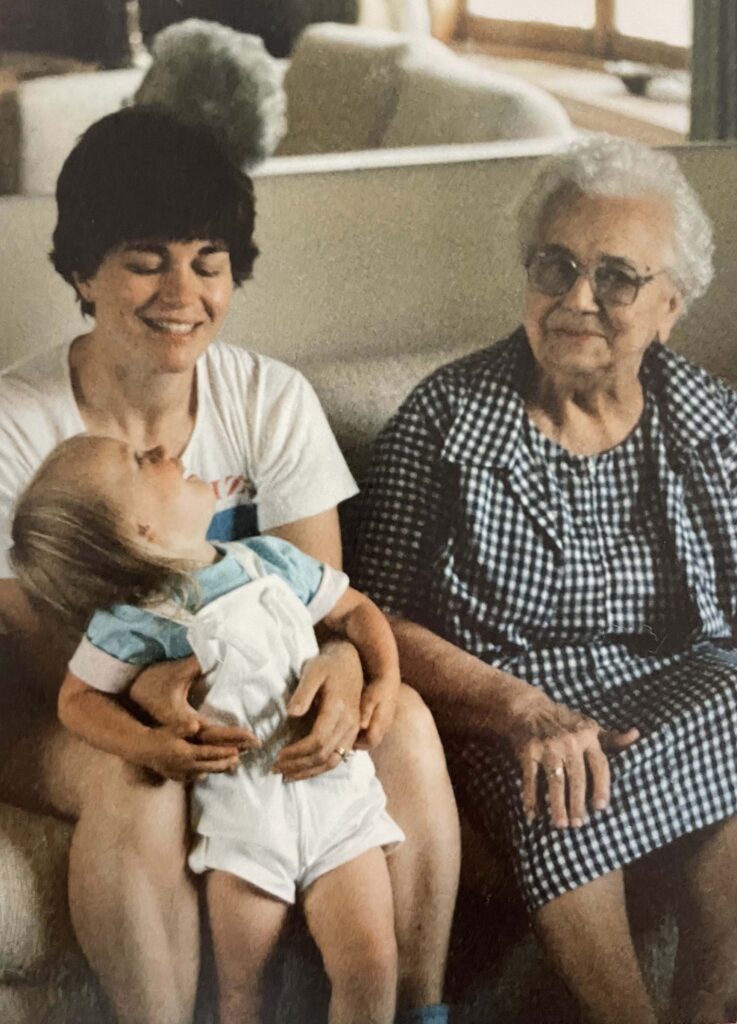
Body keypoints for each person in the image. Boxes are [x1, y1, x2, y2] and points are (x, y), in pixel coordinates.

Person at [0, 106, 459, 1024]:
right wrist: (161, 695)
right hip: (53, 713)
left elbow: (324, 606)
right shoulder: (16, 422)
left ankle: (419, 1009)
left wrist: (342, 666)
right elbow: (57, 665)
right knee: (137, 780)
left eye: (208, 262)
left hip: (240, 690)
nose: (183, 292)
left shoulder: (269, 397)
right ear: (83, 270)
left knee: (399, 720)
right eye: (145, 259)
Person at [352, 134, 737, 1024]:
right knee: (562, 778)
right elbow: (371, 620)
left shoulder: (711, 423)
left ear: (669, 306)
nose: (576, 299)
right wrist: (524, 709)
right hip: (503, 710)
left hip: (671, 699)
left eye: (614, 278)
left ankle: (711, 1002)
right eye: (555, 266)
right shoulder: (446, 419)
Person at [11, 432, 405, 1024]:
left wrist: (385, 681)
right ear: (140, 530)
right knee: (244, 991)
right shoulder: (135, 620)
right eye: (144, 463)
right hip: (243, 825)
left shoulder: (268, 558)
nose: (165, 451)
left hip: (333, 797)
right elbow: (78, 699)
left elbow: (355, 611)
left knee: (372, 961)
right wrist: (147, 744)